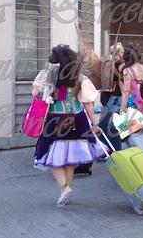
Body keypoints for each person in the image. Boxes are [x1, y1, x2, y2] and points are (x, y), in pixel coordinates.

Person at [33, 45, 107, 207]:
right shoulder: (80, 79)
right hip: (77, 119)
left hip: (55, 120)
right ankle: (67, 189)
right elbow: (88, 104)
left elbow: (35, 93)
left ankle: (65, 188)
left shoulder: (47, 77)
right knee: (71, 157)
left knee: (49, 155)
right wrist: (95, 123)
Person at [98, 43, 125, 151]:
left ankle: (104, 147)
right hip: (115, 96)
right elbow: (121, 81)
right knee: (112, 125)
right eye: (122, 51)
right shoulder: (119, 64)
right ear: (118, 53)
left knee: (104, 123)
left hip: (105, 96)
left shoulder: (104, 62)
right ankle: (112, 147)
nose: (123, 53)